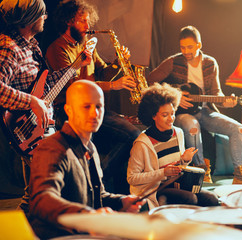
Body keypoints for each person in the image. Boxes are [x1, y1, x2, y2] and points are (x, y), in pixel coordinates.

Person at [0, 0, 92, 211]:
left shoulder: (30, 44)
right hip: (24, 128)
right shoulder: (9, 47)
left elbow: (47, 83)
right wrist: (31, 101)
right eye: (41, 14)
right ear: (29, 18)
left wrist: (77, 65)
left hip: (40, 125)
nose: (46, 17)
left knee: (36, 190)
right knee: (46, 186)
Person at [45, 0, 141, 194]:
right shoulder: (58, 49)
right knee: (132, 135)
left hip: (93, 106)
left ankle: (119, 198)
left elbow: (102, 71)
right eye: (83, 21)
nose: (88, 27)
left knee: (130, 143)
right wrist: (114, 85)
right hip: (72, 111)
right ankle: (94, 177)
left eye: (88, 21)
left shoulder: (86, 46)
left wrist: (117, 62)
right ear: (68, 22)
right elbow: (76, 88)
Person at [29, 80, 144, 239]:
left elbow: (95, 196)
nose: (95, 113)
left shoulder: (90, 148)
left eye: (99, 106)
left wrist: (122, 202)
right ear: (68, 110)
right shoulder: (53, 148)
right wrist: (88, 216)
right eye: (86, 106)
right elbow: (42, 200)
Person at [147, 25, 242, 184]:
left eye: (190, 47)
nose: (186, 51)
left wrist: (227, 102)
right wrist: (176, 95)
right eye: (182, 47)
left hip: (206, 111)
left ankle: (240, 175)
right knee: (192, 126)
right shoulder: (173, 62)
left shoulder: (210, 63)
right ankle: (201, 170)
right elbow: (149, 80)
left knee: (238, 128)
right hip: (182, 113)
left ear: (199, 45)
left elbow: (216, 93)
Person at [127, 83, 219, 210]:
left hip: (176, 185)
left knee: (211, 198)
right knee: (190, 198)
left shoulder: (178, 133)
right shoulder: (142, 143)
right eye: (165, 115)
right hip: (156, 190)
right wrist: (163, 172)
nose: (171, 119)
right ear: (153, 116)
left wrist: (184, 160)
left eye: (172, 113)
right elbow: (132, 178)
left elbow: (177, 168)